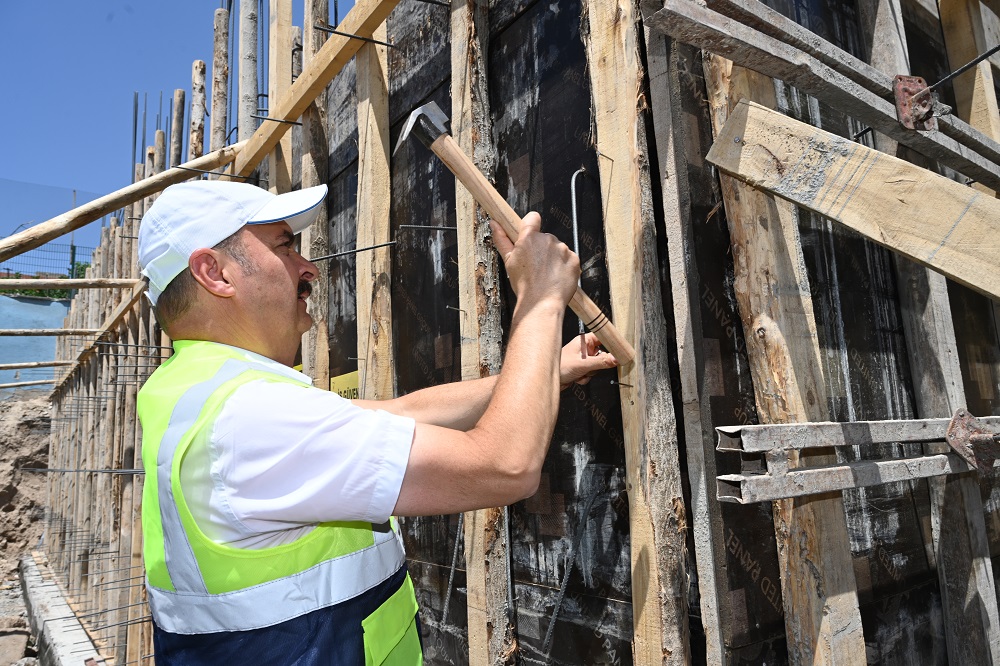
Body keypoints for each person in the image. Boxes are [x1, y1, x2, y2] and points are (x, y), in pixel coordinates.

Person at [136, 180, 617, 664]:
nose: (309, 269)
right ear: (213, 272)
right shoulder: (250, 418)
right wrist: (542, 298)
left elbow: (405, 414)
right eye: (284, 245)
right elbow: (504, 464)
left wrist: (546, 369)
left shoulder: (197, 394)